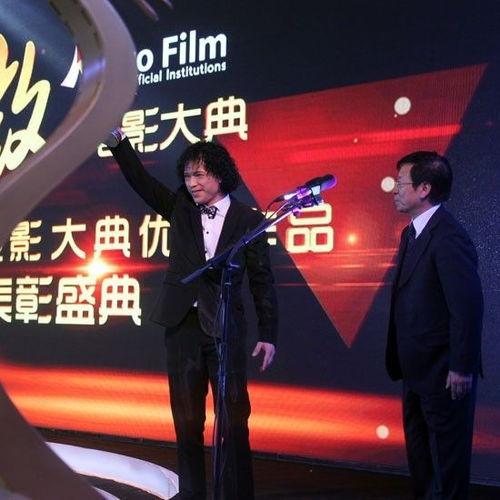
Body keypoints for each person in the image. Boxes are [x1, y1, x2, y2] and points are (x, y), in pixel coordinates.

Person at [106, 130, 278, 500]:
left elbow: (262, 280)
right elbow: (142, 182)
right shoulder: (180, 207)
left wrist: (268, 333)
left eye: (199, 174)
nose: (192, 183)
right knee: (186, 423)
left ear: (220, 175)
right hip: (182, 327)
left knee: (233, 422)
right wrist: (119, 145)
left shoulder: (248, 219)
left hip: (225, 329)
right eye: (187, 176)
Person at [385, 151, 483, 499]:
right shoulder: (411, 233)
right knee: (421, 462)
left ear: (424, 188)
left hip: (444, 373)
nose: (394, 190)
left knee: (447, 465)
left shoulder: (448, 236)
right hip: (415, 371)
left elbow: (467, 307)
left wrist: (461, 366)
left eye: (401, 183)